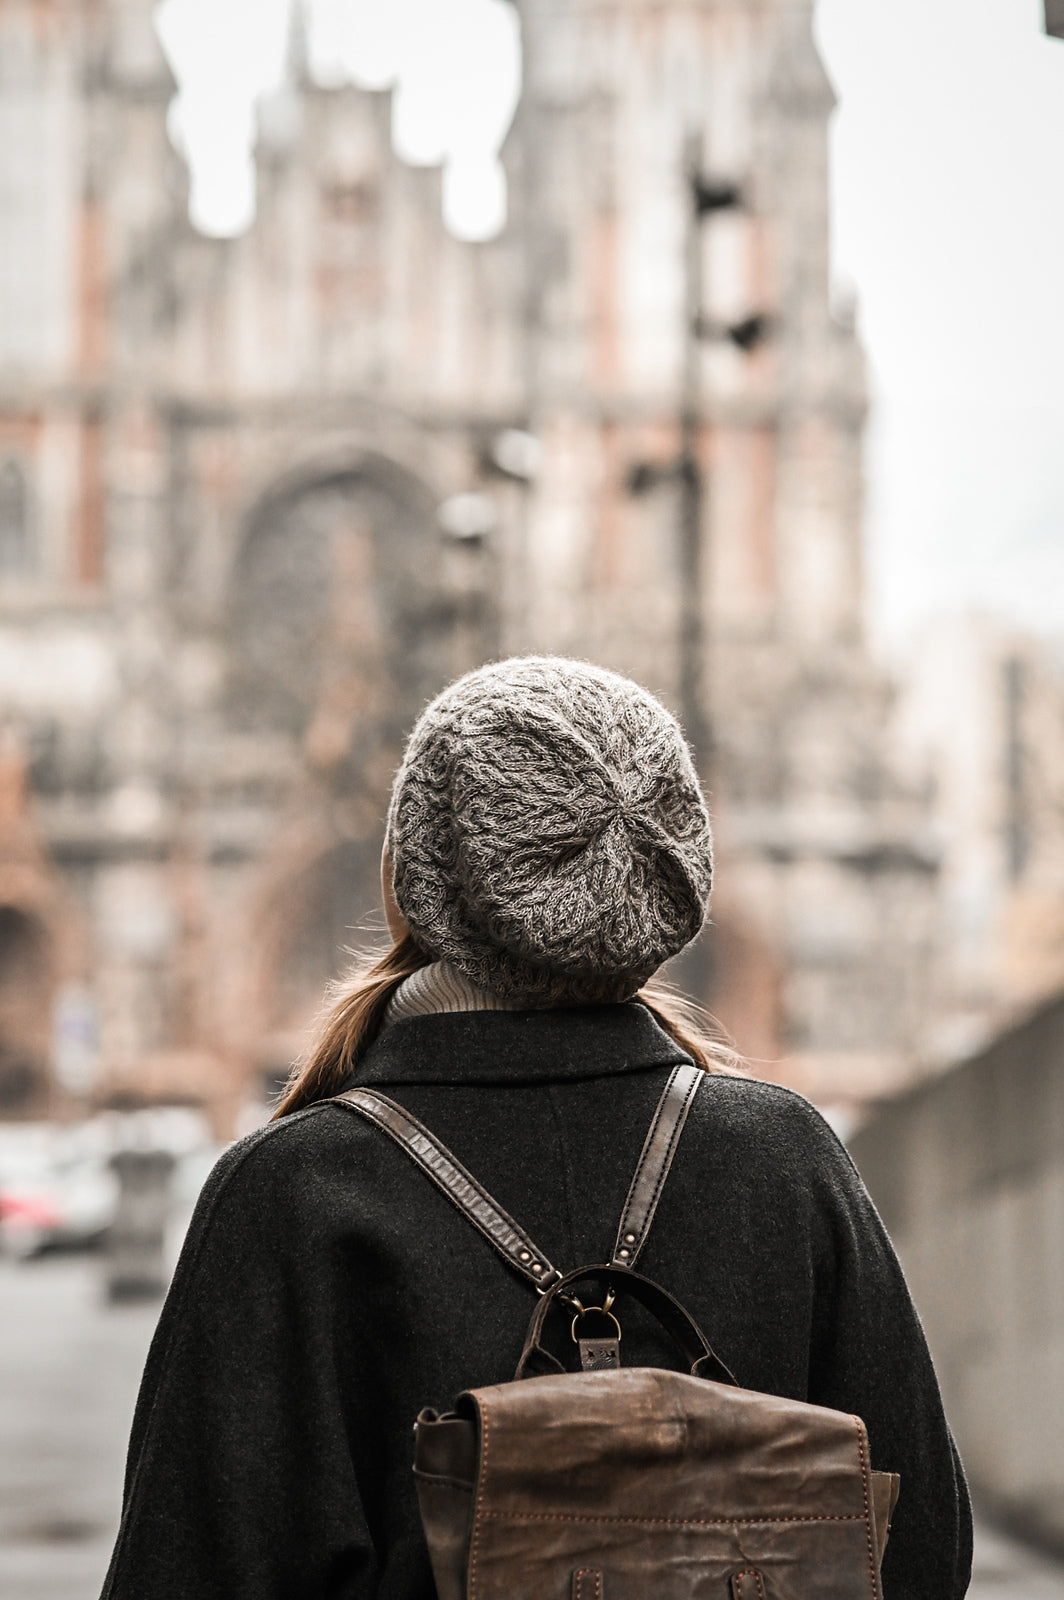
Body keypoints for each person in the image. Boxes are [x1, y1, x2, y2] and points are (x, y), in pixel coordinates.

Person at [100, 656, 972, 1600]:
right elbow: (918, 1546)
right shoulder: (783, 1159)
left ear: (410, 880)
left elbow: (191, 1566)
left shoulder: (295, 1191)